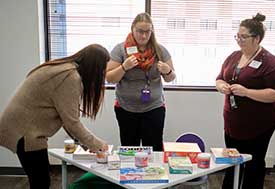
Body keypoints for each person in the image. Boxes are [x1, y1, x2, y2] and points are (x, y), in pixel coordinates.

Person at [0, 44, 110, 189]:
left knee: (41, 179)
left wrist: (87, 144)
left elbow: (66, 117)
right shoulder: (69, 77)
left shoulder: (64, 68)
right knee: (41, 182)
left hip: (20, 128)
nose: (102, 75)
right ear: (94, 67)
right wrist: (98, 145)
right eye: (102, 71)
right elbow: (72, 123)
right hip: (25, 133)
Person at [216, 13, 275, 189]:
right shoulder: (233, 56)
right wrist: (222, 85)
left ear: (257, 39)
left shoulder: (270, 61)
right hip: (233, 120)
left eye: (244, 37)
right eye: (237, 36)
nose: (239, 40)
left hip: (259, 123)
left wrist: (247, 92)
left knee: (253, 162)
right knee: (232, 159)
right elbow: (219, 79)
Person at [106, 12, 176, 151]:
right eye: (140, 31)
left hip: (154, 108)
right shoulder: (120, 49)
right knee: (129, 149)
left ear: (152, 31)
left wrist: (167, 70)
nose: (143, 36)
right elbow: (110, 78)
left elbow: (170, 77)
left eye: (147, 31)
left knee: (154, 148)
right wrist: (124, 67)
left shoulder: (160, 50)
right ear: (132, 29)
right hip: (126, 109)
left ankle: (154, 173)